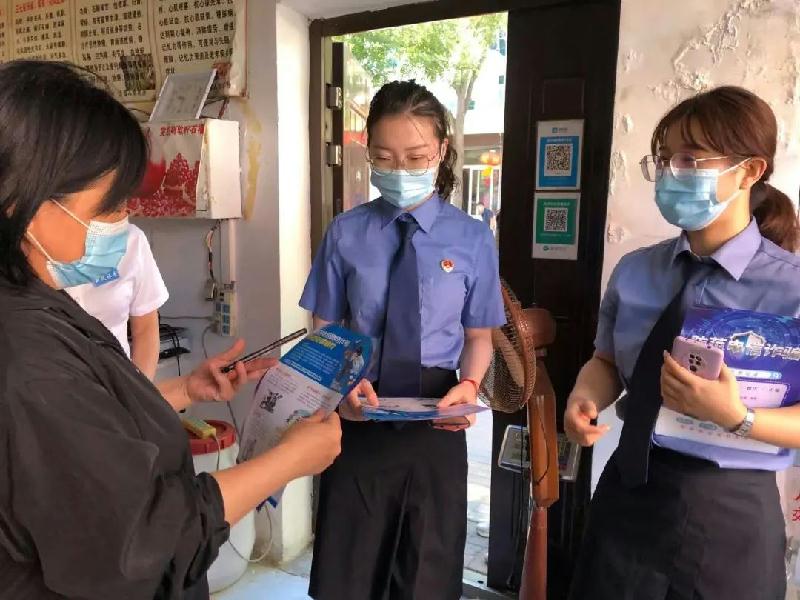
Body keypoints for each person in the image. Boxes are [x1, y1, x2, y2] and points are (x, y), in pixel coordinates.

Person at [0, 60, 342, 600]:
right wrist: (287, 462)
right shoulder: (26, 355)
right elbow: (144, 539)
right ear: (24, 202)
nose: (124, 221)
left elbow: (84, 424)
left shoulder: (38, 301)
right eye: (110, 205)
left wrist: (185, 389)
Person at [565, 86, 800, 600]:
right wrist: (586, 395)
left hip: (731, 517)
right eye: (664, 158)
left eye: (691, 159)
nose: (672, 172)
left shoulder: (791, 288)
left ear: (749, 170)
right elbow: (606, 361)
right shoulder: (635, 271)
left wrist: (737, 416)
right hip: (627, 497)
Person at [300, 80, 505, 600]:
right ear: (368, 153)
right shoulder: (345, 233)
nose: (400, 170)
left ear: (441, 151)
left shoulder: (472, 238)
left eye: (415, 157)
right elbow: (323, 327)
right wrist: (340, 384)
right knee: (349, 572)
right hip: (359, 411)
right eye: (384, 157)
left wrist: (470, 385)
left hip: (437, 417)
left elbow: (479, 335)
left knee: (426, 574)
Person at [62, 218, 168, 379]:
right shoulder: (31, 243)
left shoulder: (130, 239)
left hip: (115, 383)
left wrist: (138, 389)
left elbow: (146, 328)